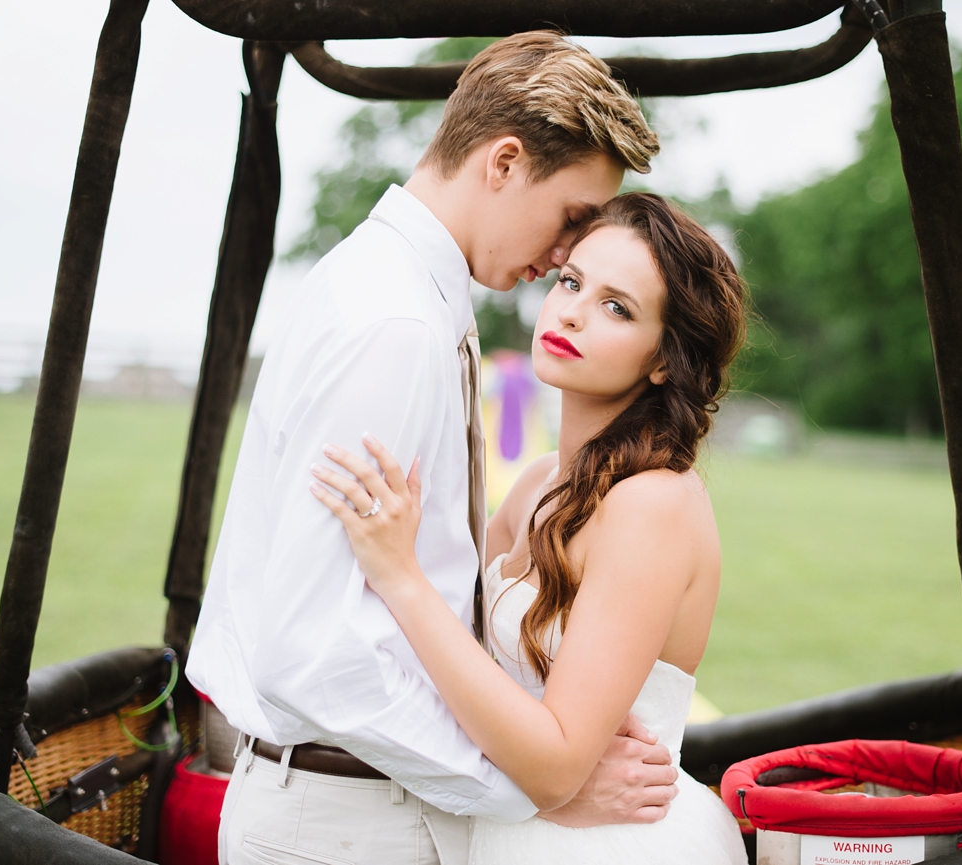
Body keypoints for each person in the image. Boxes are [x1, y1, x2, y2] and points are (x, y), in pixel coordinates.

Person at [186, 32, 673, 865]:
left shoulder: (407, 292)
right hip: (344, 825)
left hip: (362, 806)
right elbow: (314, 652)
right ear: (505, 162)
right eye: (570, 218)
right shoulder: (396, 323)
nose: (565, 254)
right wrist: (531, 785)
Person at [311, 193, 751, 864]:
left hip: (614, 843)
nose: (570, 309)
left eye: (616, 306)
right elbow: (452, 659)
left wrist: (400, 575)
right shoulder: (538, 482)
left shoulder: (654, 504)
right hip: (505, 833)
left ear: (664, 360)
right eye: (571, 280)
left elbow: (555, 763)